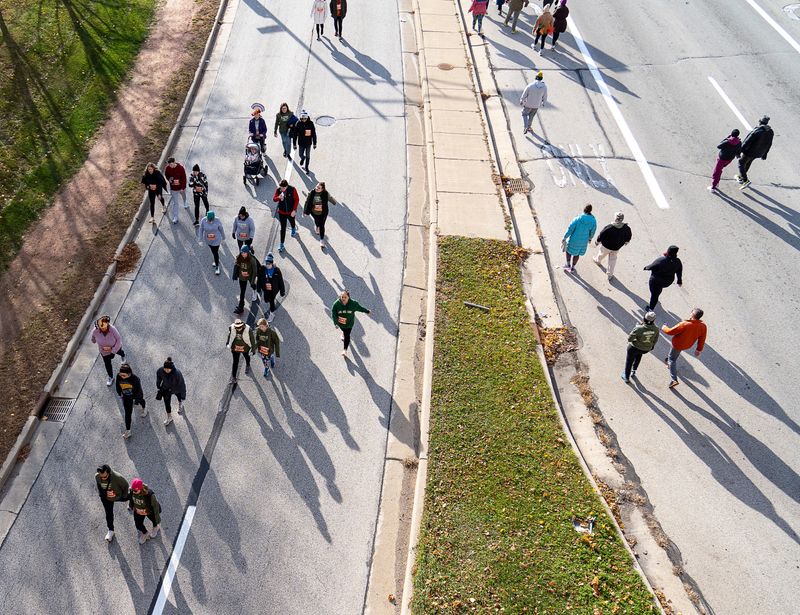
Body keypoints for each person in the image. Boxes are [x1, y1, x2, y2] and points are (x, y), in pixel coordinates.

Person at [662, 308, 707, 388]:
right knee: (674, 355)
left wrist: (664, 327)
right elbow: (702, 339)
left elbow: (670, 332)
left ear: (692, 315)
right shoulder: (703, 326)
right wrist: (699, 349)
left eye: (692, 312)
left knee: (672, 359)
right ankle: (668, 362)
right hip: (687, 344)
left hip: (677, 344)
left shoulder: (685, 324)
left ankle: (674, 379)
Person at [735, 116, 773, 189]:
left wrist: (739, 151)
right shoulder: (770, 131)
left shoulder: (757, 131)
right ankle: (740, 176)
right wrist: (765, 154)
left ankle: (745, 180)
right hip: (759, 153)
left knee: (741, 162)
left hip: (750, 152)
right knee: (748, 162)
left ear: (759, 122)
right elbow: (769, 144)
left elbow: (746, 142)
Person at [592, 211, 632, 280]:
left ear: (615, 218)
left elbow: (601, 235)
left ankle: (597, 261)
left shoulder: (609, 227)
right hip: (616, 248)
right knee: (612, 260)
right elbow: (629, 236)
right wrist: (626, 242)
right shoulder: (626, 228)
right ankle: (610, 274)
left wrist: (597, 242)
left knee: (601, 254)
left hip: (606, 246)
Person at [331, 290, 371, 358]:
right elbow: (334, 314)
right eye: (342, 297)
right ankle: (343, 332)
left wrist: (367, 311)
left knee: (347, 336)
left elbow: (360, 308)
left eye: (345, 297)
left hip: (349, 324)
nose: (343, 298)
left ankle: (345, 350)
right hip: (340, 324)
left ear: (348, 297)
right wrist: (336, 323)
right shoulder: (336, 304)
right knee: (344, 331)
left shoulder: (353, 304)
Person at [95, 464, 129, 543]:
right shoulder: (97, 476)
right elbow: (99, 486)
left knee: (129, 496)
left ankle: (131, 504)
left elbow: (126, 485)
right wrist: (104, 494)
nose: (103, 478)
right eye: (101, 476)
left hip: (117, 496)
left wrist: (122, 496)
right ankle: (111, 530)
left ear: (109, 473)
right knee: (108, 514)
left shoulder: (117, 477)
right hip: (106, 499)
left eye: (105, 477)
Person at [621, 312, 658, 383]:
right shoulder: (656, 329)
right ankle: (633, 370)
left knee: (629, 361)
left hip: (634, 348)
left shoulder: (639, 328)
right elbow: (655, 340)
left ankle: (626, 377)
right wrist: (650, 346)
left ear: (644, 318)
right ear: (654, 320)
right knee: (639, 355)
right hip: (645, 349)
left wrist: (636, 328)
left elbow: (630, 338)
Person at [643, 245, 682, 310]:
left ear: (668, 251)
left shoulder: (662, 260)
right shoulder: (678, 261)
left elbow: (652, 266)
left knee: (654, 294)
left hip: (656, 281)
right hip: (667, 282)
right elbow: (679, 271)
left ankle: (651, 308)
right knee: (658, 290)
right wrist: (679, 281)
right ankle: (657, 295)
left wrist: (646, 268)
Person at [91, 315, 125, 387]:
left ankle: (123, 356)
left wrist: (113, 350)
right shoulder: (95, 331)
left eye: (104, 326)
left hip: (115, 347)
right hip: (104, 351)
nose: (103, 328)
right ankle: (111, 377)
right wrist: (93, 340)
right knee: (107, 364)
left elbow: (119, 339)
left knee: (120, 352)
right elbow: (93, 337)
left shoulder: (112, 329)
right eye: (101, 327)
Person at [561, 204, 596, 273]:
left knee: (568, 251)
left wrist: (565, 237)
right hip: (583, 241)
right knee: (577, 254)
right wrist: (590, 239)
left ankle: (568, 265)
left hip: (573, 240)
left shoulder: (577, 219)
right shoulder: (593, 221)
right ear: (590, 211)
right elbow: (593, 231)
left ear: (584, 209)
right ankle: (572, 267)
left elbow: (570, 229)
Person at [115, 363, 146, 440]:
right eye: (121, 375)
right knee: (127, 413)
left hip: (135, 395)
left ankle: (144, 408)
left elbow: (138, 391)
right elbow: (117, 385)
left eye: (124, 375)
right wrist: (119, 393)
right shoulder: (119, 376)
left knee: (141, 401)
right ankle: (128, 430)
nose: (122, 377)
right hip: (126, 397)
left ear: (129, 374)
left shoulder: (135, 379)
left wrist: (136, 401)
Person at [129, 478, 161, 545]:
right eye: (132, 490)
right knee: (138, 524)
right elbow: (131, 500)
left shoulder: (149, 495)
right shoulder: (132, 491)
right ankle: (145, 533)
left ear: (140, 488)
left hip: (148, 511)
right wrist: (132, 507)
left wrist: (146, 511)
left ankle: (156, 527)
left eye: (135, 490)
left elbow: (155, 507)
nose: (133, 491)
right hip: (138, 511)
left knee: (153, 519)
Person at [155, 357, 186, 426]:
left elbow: (182, 384)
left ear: (171, 368)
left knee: (179, 397)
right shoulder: (160, 370)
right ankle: (169, 417)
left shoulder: (177, 373)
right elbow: (159, 378)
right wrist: (158, 386)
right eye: (165, 368)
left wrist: (183, 395)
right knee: (167, 404)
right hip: (166, 390)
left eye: (168, 369)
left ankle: (180, 403)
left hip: (176, 389)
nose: (166, 370)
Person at [257, 252, 286, 321]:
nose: (267, 265)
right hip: (265, 288)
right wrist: (258, 288)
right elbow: (259, 279)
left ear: (272, 263)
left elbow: (281, 281)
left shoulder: (277, 271)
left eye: (269, 264)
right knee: (266, 299)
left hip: (274, 290)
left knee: (271, 301)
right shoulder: (263, 269)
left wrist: (282, 291)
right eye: (266, 263)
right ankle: (268, 300)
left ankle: (272, 314)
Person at [273, 180, 300, 252]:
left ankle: (293, 229)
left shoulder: (292, 189)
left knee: (292, 221)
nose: (282, 189)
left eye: (283, 188)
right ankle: (281, 244)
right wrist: (279, 197)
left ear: (287, 186)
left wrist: (294, 210)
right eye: (281, 187)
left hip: (290, 212)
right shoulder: (278, 190)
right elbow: (274, 199)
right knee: (283, 228)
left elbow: (297, 200)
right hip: (282, 213)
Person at [233, 245, 260, 315]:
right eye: (242, 253)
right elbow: (237, 264)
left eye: (245, 253)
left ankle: (255, 291)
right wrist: (237, 273)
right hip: (242, 277)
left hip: (250, 276)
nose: (243, 254)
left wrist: (253, 280)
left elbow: (255, 270)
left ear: (247, 252)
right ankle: (241, 307)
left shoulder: (252, 259)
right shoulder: (239, 257)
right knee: (242, 292)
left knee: (252, 285)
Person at [227, 318, 255, 384]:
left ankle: (248, 365)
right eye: (236, 327)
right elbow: (230, 336)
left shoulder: (248, 330)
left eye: (239, 327)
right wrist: (228, 343)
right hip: (235, 349)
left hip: (245, 348)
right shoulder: (232, 328)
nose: (238, 328)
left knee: (247, 357)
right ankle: (233, 377)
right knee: (235, 362)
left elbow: (252, 340)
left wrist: (253, 349)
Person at [303, 182, 330, 249]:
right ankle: (317, 226)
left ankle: (321, 240)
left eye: (319, 188)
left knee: (322, 225)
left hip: (323, 213)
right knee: (316, 221)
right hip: (314, 212)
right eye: (316, 186)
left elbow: (328, 200)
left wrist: (334, 202)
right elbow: (307, 202)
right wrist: (305, 212)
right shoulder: (312, 192)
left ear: (322, 189)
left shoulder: (325, 194)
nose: (317, 188)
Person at [198, 210, 224, 275]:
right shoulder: (203, 220)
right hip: (208, 240)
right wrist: (200, 239)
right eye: (209, 219)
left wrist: (223, 237)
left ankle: (217, 267)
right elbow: (201, 229)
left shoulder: (217, 220)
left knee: (215, 252)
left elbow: (221, 229)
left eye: (211, 219)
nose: (210, 221)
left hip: (216, 239)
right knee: (213, 251)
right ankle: (216, 260)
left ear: (214, 217)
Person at [291, 110, 317, 174]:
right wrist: (294, 144)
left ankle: (306, 167)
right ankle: (303, 158)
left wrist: (314, 143)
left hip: (308, 143)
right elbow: (295, 135)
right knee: (300, 154)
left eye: (305, 118)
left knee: (308, 156)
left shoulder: (311, 124)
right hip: (301, 143)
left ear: (307, 118)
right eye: (303, 118)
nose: (304, 119)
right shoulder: (298, 124)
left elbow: (314, 134)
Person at [164, 158, 187, 224]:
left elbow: (184, 178)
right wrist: (169, 179)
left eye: (171, 164)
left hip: (181, 188)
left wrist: (183, 188)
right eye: (169, 165)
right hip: (173, 188)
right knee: (175, 203)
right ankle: (175, 217)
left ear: (174, 162)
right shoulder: (167, 168)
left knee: (183, 196)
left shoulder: (181, 168)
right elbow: (166, 175)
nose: (170, 166)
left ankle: (185, 202)